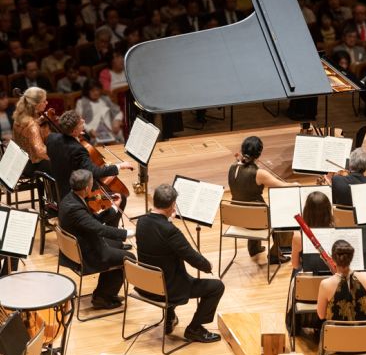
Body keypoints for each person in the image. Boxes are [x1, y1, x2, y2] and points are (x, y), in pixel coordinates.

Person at [135, 184, 223, 342]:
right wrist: (208, 266)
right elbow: (193, 258)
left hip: (145, 285)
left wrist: (167, 221)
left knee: (166, 268)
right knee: (216, 287)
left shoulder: (141, 221)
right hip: (168, 289)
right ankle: (194, 329)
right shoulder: (170, 231)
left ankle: (169, 318)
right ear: (173, 205)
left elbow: (158, 235)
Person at [58, 169, 134, 309]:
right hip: (86, 253)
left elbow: (92, 222)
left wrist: (114, 208)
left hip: (81, 245)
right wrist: (127, 233)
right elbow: (100, 229)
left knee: (117, 245)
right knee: (129, 257)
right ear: (87, 188)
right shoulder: (75, 209)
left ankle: (103, 293)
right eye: (92, 183)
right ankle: (103, 298)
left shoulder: (70, 198)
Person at [227, 136, 297, 263]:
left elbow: (242, 167)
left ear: (242, 150)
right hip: (257, 221)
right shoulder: (260, 173)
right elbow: (283, 185)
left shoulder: (232, 167)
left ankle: (254, 248)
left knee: (252, 208)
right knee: (285, 214)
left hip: (237, 218)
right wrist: (295, 184)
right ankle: (275, 254)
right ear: (259, 154)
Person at [46, 110, 134, 209]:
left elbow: (65, 148)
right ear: (74, 131)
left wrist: (77, 136)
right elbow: (95, 172)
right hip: (73, 194)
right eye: (80, 123)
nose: (83, 121)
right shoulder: (77, 150)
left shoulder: (51, 138)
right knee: (120, 197)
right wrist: (119, 166)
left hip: (55, 190)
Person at [316, 240, 366, 322]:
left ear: (333, 260)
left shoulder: (325, 284)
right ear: (351, 258)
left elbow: (321, 315)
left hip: (337, 330)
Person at [291, 191, 333, 273]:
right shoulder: (335, 230)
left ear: (306, 211)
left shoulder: (298, 236)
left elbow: (295, 265)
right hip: (332, 276)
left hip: (310, 278)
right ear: (328, 211)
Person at [12, 87, 51, 175]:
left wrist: (38, 121)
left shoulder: (18, 117)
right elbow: (40, 151)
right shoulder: (32, 126)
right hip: (32, 166)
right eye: (44, 101)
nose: (47, 103)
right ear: (36, 105)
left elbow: (25, 131)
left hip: (21, 161)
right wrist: (56, 154)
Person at [75, 79, 124, 144]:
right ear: (87, 91)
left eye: (97, 90)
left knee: (119, 138)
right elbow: (78, 120)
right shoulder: (81, 102)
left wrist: (117, 120)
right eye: (93, 91)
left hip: (109, 129)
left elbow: (118, 112)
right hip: (92, 131)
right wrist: (89, 130)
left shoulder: (105, 99)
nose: (96, 93)